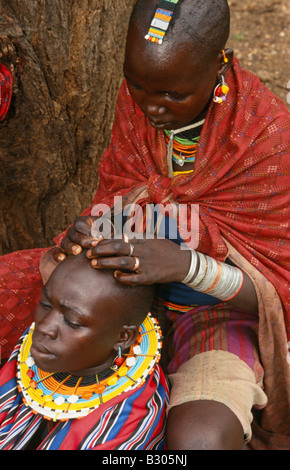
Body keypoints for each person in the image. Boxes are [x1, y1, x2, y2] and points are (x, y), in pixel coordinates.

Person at [0, 0, 289, 450]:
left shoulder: (265, 135)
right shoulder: (142, 99)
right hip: (118, 296)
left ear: (219, 64)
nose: (151, 108)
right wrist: (96, 228)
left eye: (172, 95)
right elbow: (125, 192)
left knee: (203, 438)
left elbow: (277, 286)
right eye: (137, 86)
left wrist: (187, 267)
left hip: (214, 313)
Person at [0, 249, 168, 450]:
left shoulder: (124, 425)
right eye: (45, 304)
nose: (44, 327)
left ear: (123, 338)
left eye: (72, 322)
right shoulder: (41, 345)